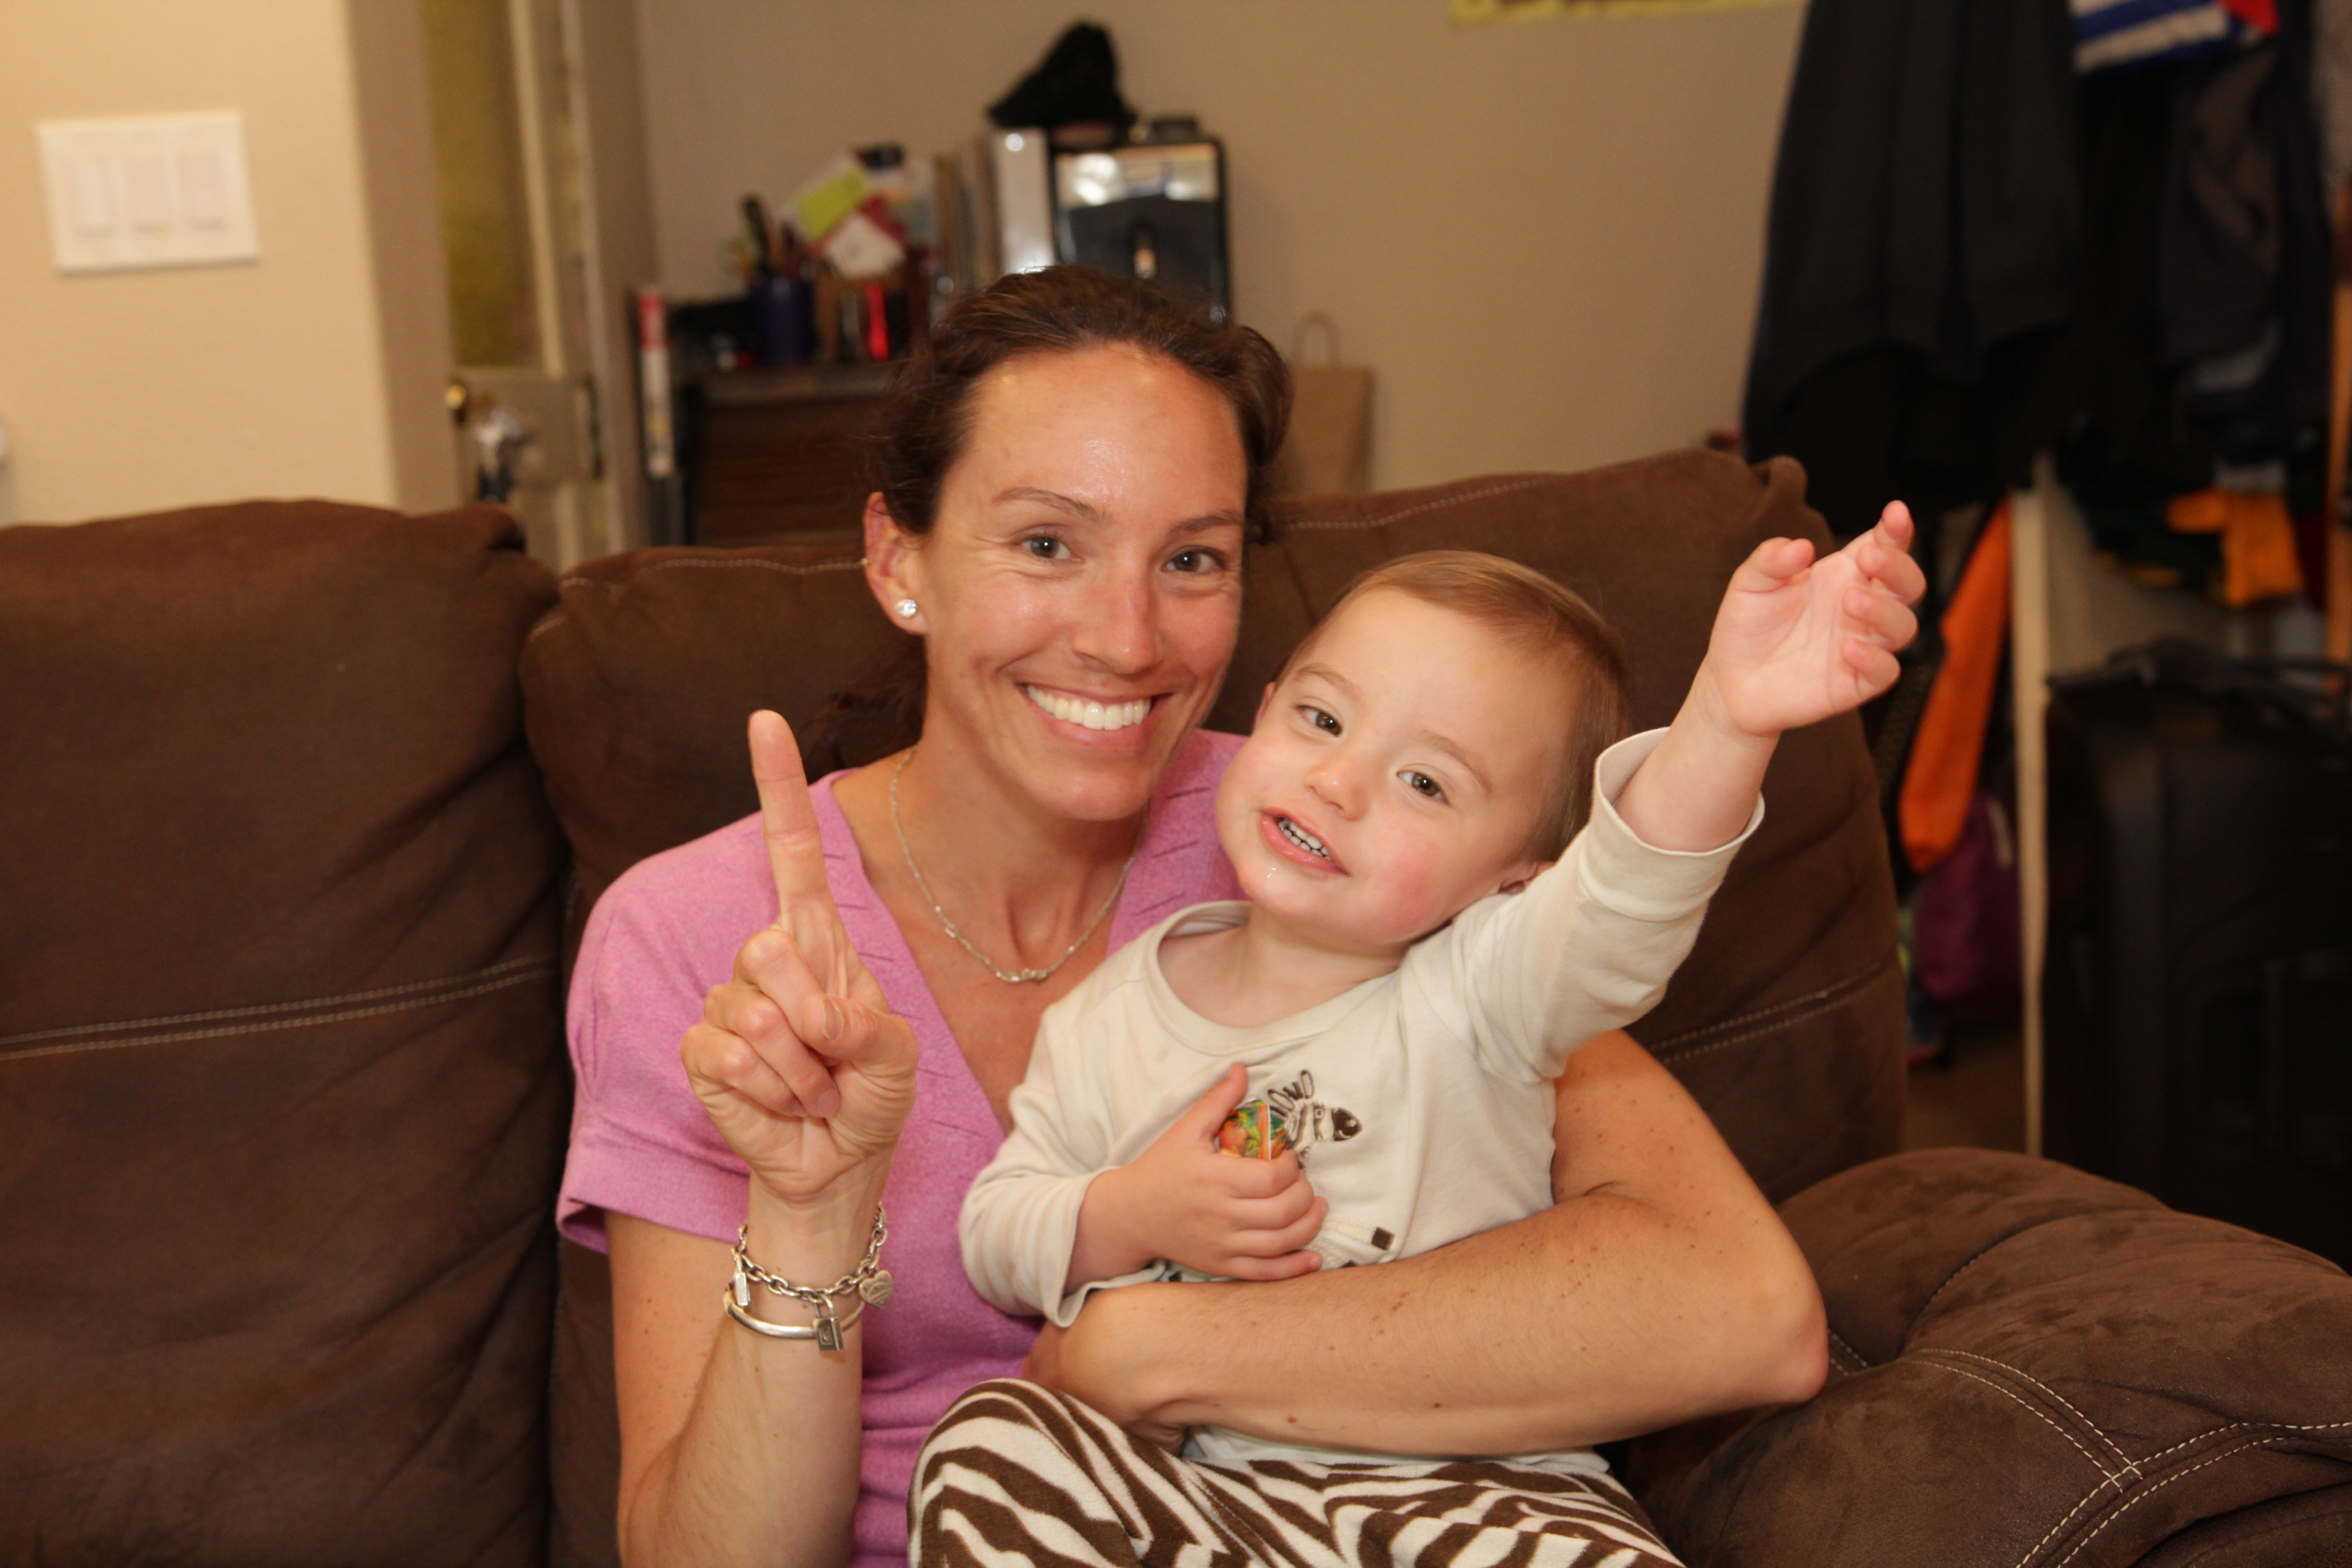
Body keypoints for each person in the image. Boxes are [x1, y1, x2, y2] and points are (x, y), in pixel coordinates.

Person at [559, 267, 1839, 1568]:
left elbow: (1739, 1308)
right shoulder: (696, 934)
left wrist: (1143, 1350)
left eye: (1191, 560)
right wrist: (813, 1211)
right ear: (900, 558)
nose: (1127, 640)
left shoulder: (1349, 849)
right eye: (1047, 543)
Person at [933, 534, 1916, 1563]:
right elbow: (996, 1233)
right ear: (1262, 711)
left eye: (1424, 783)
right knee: (988, 1441)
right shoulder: (1106, 1019)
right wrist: (1125, 1213)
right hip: (1208, 1500)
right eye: (1322, 720)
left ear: (1518, 878)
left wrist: (1727, 720)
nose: (1338, 781)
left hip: (1483, 1490)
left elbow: (1620, 906)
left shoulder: (1485, 995)